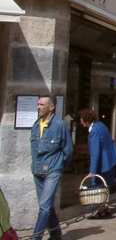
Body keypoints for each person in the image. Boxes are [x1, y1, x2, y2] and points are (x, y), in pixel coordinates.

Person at [30, 96, 72, 240]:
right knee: (46, 205)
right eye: (38, 104)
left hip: (52, 171)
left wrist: (58, 166)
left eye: (41, 104)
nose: (38, 107)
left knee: (44, 207)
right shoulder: (36, 125)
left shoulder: (60, 125)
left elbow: (68, 150)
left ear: (51, 107)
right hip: (37, 171)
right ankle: (56, 234)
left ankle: (36, 237)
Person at [79, 109, 116, 219]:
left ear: (86, 120)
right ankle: (104, 208)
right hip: (110, 160)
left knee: (98, 187)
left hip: (105, 163)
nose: (80, 121)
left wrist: (92, 171)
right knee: (105, 187)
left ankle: (99, 210)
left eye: (81, 119)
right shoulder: (101, 125)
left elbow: (95, 153)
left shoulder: (94, 131)